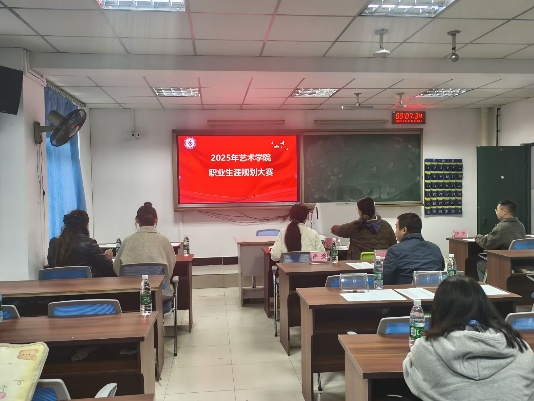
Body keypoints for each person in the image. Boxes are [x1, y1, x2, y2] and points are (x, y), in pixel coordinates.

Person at [403, 275, 534, 401]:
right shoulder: (519, 347)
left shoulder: (425, 347)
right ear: (484, 305)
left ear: (438, 309)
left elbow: (412, 374)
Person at [113, 202, 175, 300]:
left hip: (130, 294)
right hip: (158, 293)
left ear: (137, 220)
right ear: (156, 220)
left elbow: (117, 268)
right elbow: (169, 270)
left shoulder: (127, 241)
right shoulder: (164, 240)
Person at [47, 209, 115, 277]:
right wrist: (108, 256)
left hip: (58, 283)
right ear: (85, 225)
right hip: (85, 283)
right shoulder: (89, 243)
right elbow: (108, 267)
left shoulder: (53, 243)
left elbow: (51, 266)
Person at [383, 212, 443, 285]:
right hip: (433, 290)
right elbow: (441, 271)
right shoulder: (435, 248)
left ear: (404, 230)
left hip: (404, 290)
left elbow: (385, 279)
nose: (395, 232)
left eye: (396, 227)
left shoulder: (394, 250)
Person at [330, 197, 396, 260]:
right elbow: (393, 245)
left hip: (357, 263)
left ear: (360, 211)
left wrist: (333, 228)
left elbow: (338, 230)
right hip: (380, 262)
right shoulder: (386, 225)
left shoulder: (356, 225)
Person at [476, 199, 526, 281]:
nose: (496, 212)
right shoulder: (520, 226)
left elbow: (487, 243)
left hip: (504, 262)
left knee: (481, 264)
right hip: (519, 263)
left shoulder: (502, 227)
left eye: (497, 210)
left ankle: (486, 287)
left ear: (505, 211)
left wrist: (478, 237)